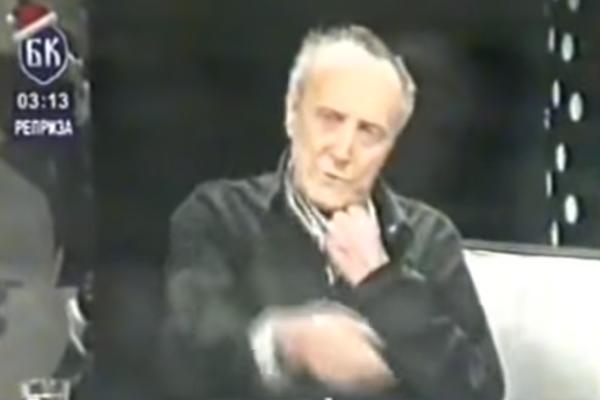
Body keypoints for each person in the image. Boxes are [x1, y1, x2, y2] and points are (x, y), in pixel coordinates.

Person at [160, 24, 504, 400]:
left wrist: (382, 282)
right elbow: (184, 365)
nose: (342, 151)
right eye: (330, 118)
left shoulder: (430, 237)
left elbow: (480, 391)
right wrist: (286, 345)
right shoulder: (219, 216)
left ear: (390, 146)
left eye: (368, 132)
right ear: (292, 114)